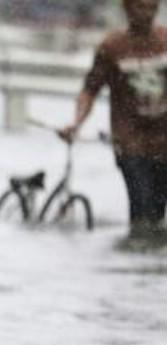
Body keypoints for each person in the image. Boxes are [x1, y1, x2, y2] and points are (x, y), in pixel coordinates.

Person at [60, 0, 167, 237]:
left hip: (164, 143)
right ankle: (134, 262)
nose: (147, 14)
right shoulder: (112, 47)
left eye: (152, 7)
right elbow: (90, 90)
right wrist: (76, 123)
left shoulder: (165, 41)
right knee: (142, 208)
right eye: (141, 7)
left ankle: (149, 266)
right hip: (131, 143)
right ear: (127, 8)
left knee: (157, 213)